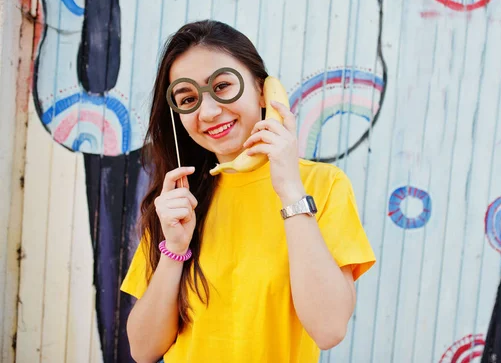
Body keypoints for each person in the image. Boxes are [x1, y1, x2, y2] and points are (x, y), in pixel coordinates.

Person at [121, 19, 376, 363]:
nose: (208, 112)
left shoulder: (323, 185)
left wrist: (289, 191)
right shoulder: (178, 201)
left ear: (262, 90)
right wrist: (174, 250)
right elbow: (143, 349)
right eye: (188, 98)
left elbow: (329, 329)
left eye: (223, 86)